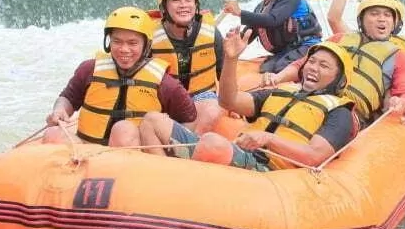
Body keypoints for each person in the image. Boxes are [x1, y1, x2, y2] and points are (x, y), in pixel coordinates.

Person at [136, 29, 356, 172]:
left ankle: (175, 183)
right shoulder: (281, 92)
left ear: (339, 79)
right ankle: (165, 181)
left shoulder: (339, 112)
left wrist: (267, 139)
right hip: (242, 156)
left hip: (270, 172)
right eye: (312, 62)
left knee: (213, 142)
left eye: (324, 66)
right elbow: (229, 100)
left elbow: (314, 157)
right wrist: (231, 59)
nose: (313, 68)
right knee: (153, 120)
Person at [264, 0, 405, 126]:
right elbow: (301, 64)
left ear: (395, 24)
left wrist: (400, 104)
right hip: (312, 96)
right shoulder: (340, 39)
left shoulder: (399, 56)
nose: (382, 19)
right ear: (362, 21)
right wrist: (278, 78)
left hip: (347, 112)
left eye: (387, 16)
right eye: (374, 14)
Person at [42, 6, 196, 146]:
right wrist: (60, 109)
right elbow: (67, 98)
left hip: (132, 156)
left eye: (132, 43)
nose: (124, 49)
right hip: (88, 152)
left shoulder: (165, 83)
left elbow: (188, 118)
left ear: (146, 45)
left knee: (123, 130)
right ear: (109, 43)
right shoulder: (89, 69)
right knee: (52, 133)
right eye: (117, 41)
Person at [221, 0, 323, 74]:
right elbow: (250, 32)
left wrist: (239, 12)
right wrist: (228, 47)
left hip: (308, 46)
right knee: (265, 68)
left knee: (279, 69)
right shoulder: (260, 8)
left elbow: (273, 20)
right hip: (287, 50)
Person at [148, 0, 224, 133]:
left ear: (196, 5)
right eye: (175, 0)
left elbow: (222, 71)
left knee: (212, 110)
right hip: (166, 99)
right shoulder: (150, 38)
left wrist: (232, 103)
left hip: (201, 95)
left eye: (188, 0)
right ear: (164, 7)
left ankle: (189, 147)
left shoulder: (211, 33)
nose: (183, 5)